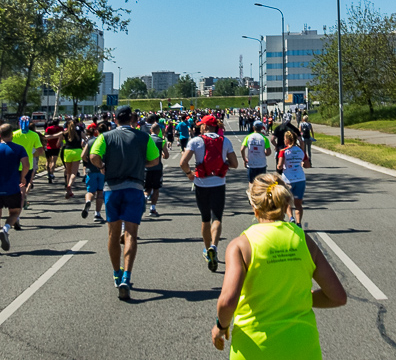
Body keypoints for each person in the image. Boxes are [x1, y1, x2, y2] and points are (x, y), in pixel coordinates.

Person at [211, 173, 346, 358]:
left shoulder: (241, 246)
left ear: (253, 205)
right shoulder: (303, 240)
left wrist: (221, 326)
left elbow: (227, 302)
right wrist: (296, 298)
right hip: (303, 347)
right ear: (285, 204)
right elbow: (338, 297)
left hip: (254, 348)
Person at [90, 105, 161, 300]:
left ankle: (116, 273)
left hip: (112, 189)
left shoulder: (106, 137)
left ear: (115, 118)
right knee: (131, 233)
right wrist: (141, 164)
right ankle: (127, 276)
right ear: (131, 119)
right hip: (135, 187)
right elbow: (155, 161)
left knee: (113, 234)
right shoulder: (143, 137)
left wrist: (103, 166)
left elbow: (93, 156)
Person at [179, 114, 238, 273]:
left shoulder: (196, 141)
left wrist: (189, 173)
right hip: (219, 182)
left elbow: (182, 162)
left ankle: (207, 249)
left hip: (201, 183)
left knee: (205, 218)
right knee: (217, 217)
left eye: (201, 125)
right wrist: (222, 165)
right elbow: (235, 164)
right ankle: (214, 246)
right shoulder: (224, 140)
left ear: (205, 126)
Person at [0, 123, 30, 256]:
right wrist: (22, 177)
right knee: (14, 213)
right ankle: (6, 229)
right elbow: (26, 165)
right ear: (12, 134)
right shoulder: (19, 149)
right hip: (12, 187)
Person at [11, 117, 44, 223]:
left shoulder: (14, 134)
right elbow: (40, 150)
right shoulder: (34, 135)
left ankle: (12, 213)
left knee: (13, 190)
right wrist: (32, 155)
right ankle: (17, 215)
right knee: (22, 190)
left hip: (14, 166)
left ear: (19, 123)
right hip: (27, 166)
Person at [277, 132, 311, 225]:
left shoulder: (283, 151)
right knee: (298, 203)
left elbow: (279, 166)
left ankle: (291, 218)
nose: (284, 140)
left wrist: (280, 165)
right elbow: (307, 165)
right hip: (300, 179)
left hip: (288, 180)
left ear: (287, 140)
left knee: (287, 201)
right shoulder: (301, 151)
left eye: (284, 138)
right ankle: (299, 223)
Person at [80, 124, 105, 223]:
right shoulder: (106, 142)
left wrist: (88, 162)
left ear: (97, 132)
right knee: (100, 192)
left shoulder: (90, 142)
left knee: (90, 191)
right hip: (102, 170)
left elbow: (83, 155)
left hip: (91, 170)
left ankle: (88, 201)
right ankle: (97, 214)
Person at [144, 123, 169, 217]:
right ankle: (152, 208)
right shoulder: (161, 141)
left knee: (147, 188)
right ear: (158, 131)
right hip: (157, 168)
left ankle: (145, 198)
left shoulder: (146, 140)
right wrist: (162, 155)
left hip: (146, 168)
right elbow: (166, 155)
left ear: (151, 130)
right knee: (156, 188)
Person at [61, 120, 83, 199]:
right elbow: (86, 138)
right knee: (74, 172)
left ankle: (68, 190)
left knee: (68, 171)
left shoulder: (65, 133)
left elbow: (54, 137)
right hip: (77, 151)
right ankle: (70, 185)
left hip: (67, 151)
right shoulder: (79, 132)